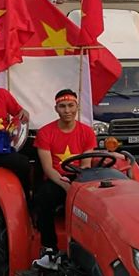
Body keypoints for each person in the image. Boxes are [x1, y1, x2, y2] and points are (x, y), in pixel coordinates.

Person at [33, 90, 97, 267]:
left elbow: (86, 165)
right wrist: (66, 187)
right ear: (56, 109)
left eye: (70, 105)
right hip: (56, 179)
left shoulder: (87, 132)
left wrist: (76, 187)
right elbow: (48, 169)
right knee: (44, 198)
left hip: (79, 178)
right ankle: (49, 248)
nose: (67, 110)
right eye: (62, 106)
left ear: (77, 107)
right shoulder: (45, 133)